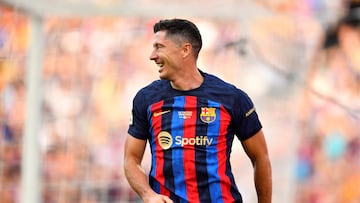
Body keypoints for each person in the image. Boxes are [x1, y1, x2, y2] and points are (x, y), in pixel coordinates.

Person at [124, 18, 272, 203]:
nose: (152, 55)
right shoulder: (146, 99)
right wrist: (148, 194)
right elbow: (131, 159)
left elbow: (261, 157)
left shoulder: (231, 98)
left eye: (159, 47)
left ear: (185, 50)